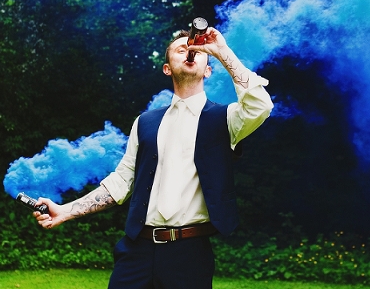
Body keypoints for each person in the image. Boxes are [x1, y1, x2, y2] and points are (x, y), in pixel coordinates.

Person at [32, 25, 272, 289]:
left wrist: (222, 51)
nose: (189, 51)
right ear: (167, 68)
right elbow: (121, 182)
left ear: (208, 70)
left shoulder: (225, 119)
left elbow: (260, 105)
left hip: (189, 254)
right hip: (137, 250)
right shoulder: (145, 122)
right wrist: (65, 211)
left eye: (196, 51)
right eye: (180, 50)